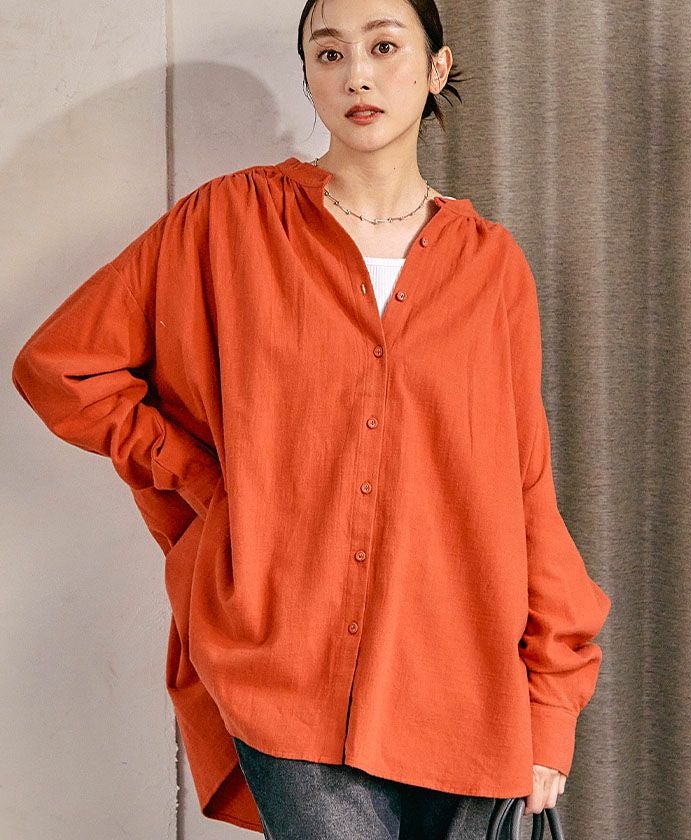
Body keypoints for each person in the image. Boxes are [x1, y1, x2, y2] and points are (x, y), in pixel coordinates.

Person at [11, 0, 612, 837]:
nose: (357, 74)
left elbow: (524, 489)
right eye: (329, 54)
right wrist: (199, 476)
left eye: (384, 47)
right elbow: (62, 367)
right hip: (286, 673)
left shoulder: (490, 264)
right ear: (308, 76)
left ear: (436, 68)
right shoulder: (225, 223)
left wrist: (550, 701)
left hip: (464, 681)